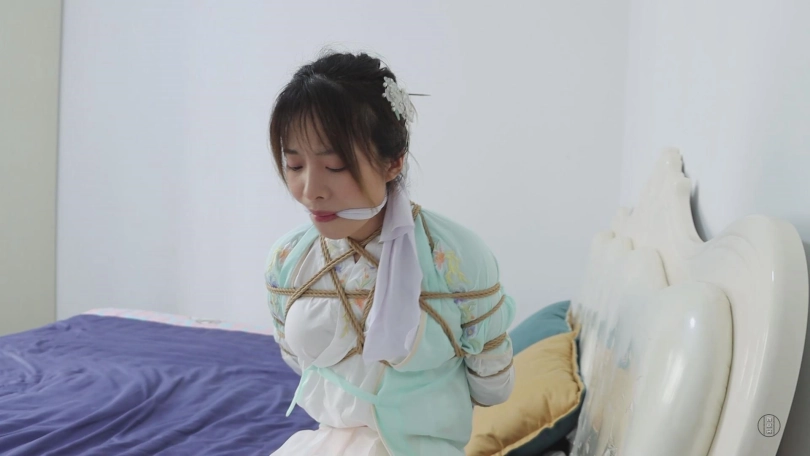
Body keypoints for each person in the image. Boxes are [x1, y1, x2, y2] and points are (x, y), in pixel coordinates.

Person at [264, 50, 516, 456]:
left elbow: (494, 389)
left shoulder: (456, 261)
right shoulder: (286, 259)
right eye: (294, 166)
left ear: (393, 162)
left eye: (335, 166)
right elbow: (296, 362)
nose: (310, 190)